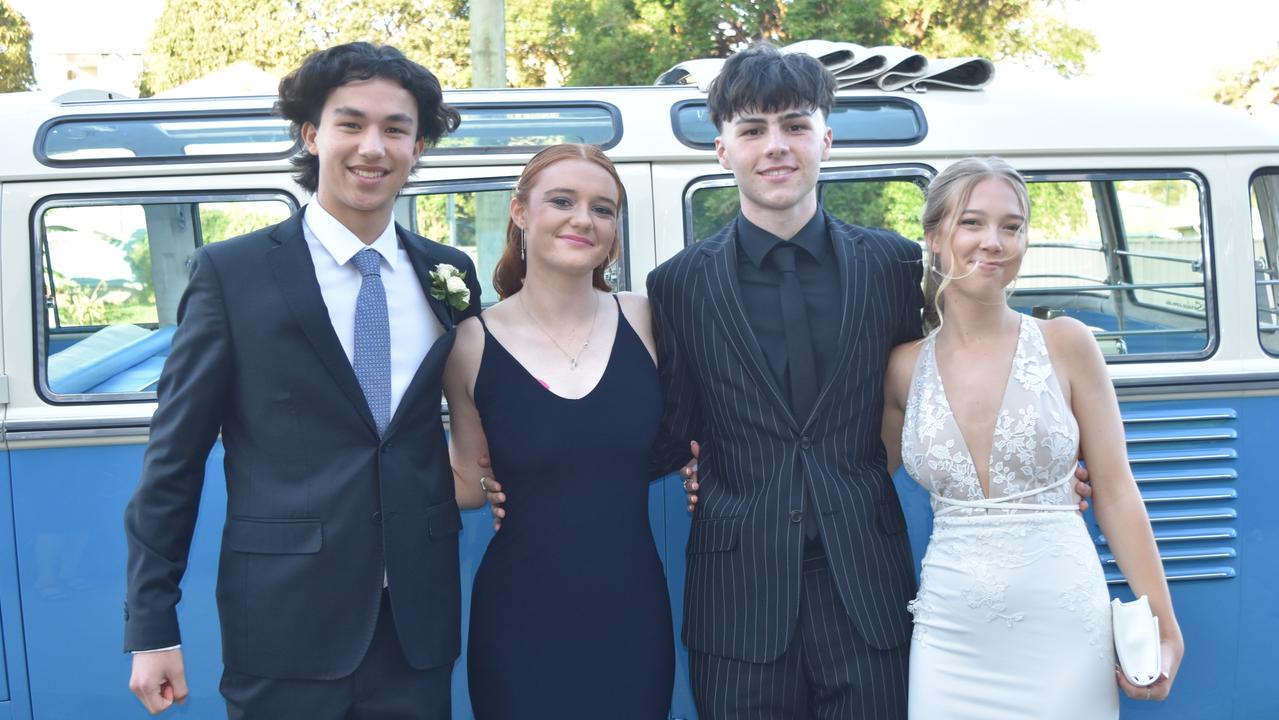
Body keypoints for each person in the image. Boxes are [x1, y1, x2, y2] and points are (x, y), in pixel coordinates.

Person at [123, 43, 480, 718]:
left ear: (419, 147)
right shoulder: (232, 274)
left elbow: (483, 408)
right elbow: (174, 460)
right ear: (311, 134)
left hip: (416, 624)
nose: (372, 147)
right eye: (350, 124)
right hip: (283, 624)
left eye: (396, 129)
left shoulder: (447, 273)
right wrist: (151, 626)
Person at [643, 41, 927, 718]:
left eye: (794, 125)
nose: (775, 146)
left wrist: (1035, 470)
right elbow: (670, 427)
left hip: (868, 588)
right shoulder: (678, 284)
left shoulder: (891, 264)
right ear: (722, 151)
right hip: (737, 602)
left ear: (824, 140)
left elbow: (944, 389)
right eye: (751, 129)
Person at [881, 157, 1184, 718]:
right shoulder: (904, 368)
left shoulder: (1067, 343)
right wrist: (711, 466)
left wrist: (1166, 626)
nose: (993, 241)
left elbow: (1116, 492)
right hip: (950, 638)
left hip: (1064, 627)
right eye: (972, 223)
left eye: (1012, 226)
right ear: (934, 238)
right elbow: (850, 478)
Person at [445, 143, 675, 718]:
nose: (583, 219)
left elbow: (695, 423)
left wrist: (700, 459)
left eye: (603, 208)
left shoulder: (645, 317)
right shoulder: (470, 342)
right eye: (562, 201)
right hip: (519, 618)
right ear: (521, 212)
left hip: (632, 612)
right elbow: (470, 481)